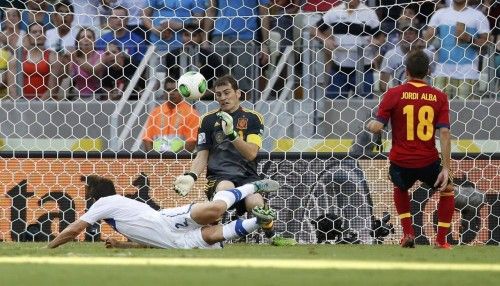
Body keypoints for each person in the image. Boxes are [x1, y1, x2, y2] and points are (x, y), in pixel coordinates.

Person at [173, 75, 296, 246]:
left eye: (227, 92)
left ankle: (272, 236)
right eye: (218, 94)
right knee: (225, 189)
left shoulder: (254, 118)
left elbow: (251, 154)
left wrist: (232, 135)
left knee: (256, 203)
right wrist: (191, 176)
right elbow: (203, 154)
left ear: (238, 93)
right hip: (219, 176)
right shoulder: (208, 120)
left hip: (247, 176)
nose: (223, 98)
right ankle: (209, 237)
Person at [367, 50, 454, 249]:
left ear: (406, 71)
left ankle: (407, 233)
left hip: (400, 162)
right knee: (447, 189)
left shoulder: (393, 94)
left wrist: (369, 124)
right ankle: (441, 241)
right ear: (428, 71)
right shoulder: (439, 97)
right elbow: (445, 134)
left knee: (400, 187)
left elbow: (377, 127)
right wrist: (446, 168)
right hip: (428, 160)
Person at [48, 175, 279, 249]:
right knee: (212, 235)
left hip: (167, 220)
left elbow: (74, 229)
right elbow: (147, 241)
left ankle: (253, 186)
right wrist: (122, 246)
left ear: (95, 192)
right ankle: (258, 222)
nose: (85, 191)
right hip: (170, 242)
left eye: (87, 188)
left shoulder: (105, 202)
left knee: (214, 210)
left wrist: (49, 246)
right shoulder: (119, 215)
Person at [312, 0, 380, 99]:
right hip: (339, 69)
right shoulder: (335, 11)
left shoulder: (369, 13)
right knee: (334, 107)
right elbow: (314, 30)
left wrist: (376, 42)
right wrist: (325, 39)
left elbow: (381, 38)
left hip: (364, 69)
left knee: (364, 109)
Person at [423, 0, 489, 99]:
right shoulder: (440, 14)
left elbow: (487, 43)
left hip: (468, 72)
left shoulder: (478, 16)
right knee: (439, 108)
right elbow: (427, 39)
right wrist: (430, 34)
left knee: (465, 111)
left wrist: (469, 39)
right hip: (442, 70)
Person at [142, 77, 200, 153]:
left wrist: (173, 160)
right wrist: (153, 159)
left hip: (181, 161)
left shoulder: (192, 113)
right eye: (168, 90)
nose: (171, 93)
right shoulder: (156, 112)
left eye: (175, 90)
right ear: (164, 92)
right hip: (157, 161)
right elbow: (147, 139)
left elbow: (192, 142)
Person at [7, 22, 59, 100]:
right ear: (27, 36)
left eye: (41, 32)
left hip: (46, 104)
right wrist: (20, 104)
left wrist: (37, 105)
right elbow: (11, 87)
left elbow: (53, 88)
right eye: (34, 32)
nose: (38, 34)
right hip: (21, 104)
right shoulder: (17, 58)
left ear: (45, 36)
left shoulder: (53, 56)